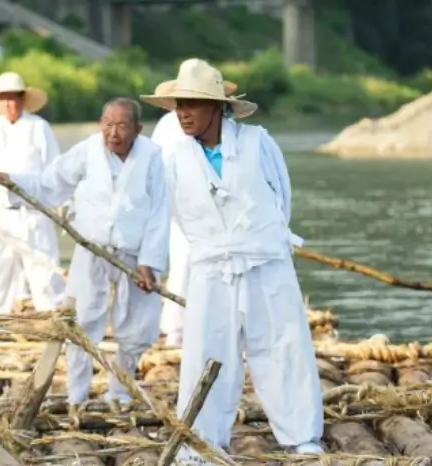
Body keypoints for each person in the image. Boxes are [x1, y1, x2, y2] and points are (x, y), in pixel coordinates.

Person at [139, 58, 323, 457]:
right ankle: (202, 442)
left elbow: (282, 199)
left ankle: (302, 438)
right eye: (178, 105)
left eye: (192, 104)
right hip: (210, 266)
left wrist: (261, 241)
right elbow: (162, 215)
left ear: (218, 107)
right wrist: (150, 261)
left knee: (282, 346)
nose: (183, 114)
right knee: (207, 351)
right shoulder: (175, 158)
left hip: (266, 262)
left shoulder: (259, 143)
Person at [0, 98, 169, 404]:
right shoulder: (88, 150)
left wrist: (150, 262)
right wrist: (3, 177)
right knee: (82, 323)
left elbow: (159, 212)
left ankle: (121, 394)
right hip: (91, 249)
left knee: (136, 327)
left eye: (121, 126)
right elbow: (49, 183)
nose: (112, 133)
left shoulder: (153, 156)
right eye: (107, 124)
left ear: (138, 129)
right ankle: (78, 395)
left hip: (135, 253)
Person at [0, 71, 66, 315]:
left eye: (14, 98)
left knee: (44, 273)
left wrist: (60, 205)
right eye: (4, 99)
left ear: (23, 99)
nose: (9, 104)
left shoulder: (39, 127)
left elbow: (54, 170)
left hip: (33, 213)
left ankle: (53, 322)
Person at [152, 80, 237, 347]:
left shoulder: (233, 129)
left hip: (222, 213)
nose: (185, 110)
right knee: (184, 264)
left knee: (225, 270)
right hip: (181, 209)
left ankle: (223, 327)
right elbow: (157, 169)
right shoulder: (169, 126)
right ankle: (176, 330)